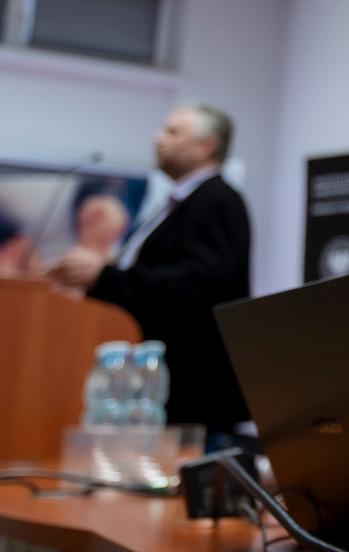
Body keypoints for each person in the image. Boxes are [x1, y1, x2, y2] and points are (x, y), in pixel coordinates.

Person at [49, 103, 252, 430]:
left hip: (191, 396)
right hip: (161, 391)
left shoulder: (216, 200)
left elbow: (198, 284)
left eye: (173, 132)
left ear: (205, 146)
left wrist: (104, 275)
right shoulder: (181, 203)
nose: (158, 138)